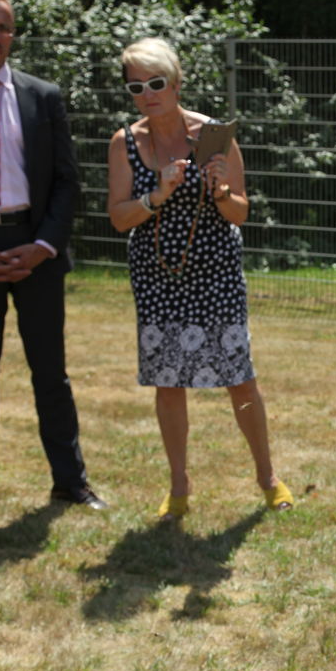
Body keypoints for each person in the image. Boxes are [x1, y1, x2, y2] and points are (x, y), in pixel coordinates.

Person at [106, 38, 292, 521]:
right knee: (168, 382)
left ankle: (268, 477)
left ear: (176, 82)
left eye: (156, 83)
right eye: (136, 86)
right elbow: (119, 218)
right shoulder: (125, 142)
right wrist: (157, 196)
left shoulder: (214, 135)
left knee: (240, 379)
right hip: (157, 277)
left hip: (216, 274)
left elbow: (241, 211)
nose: (147, 93)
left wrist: (222, 190)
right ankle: (179, 486)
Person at [0, 0, 105, 520]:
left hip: (36, 253)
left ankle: (70, 484)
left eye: (4, 27)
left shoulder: (43, 96)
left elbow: (67, 181)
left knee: (50, 374)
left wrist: (40, 247)